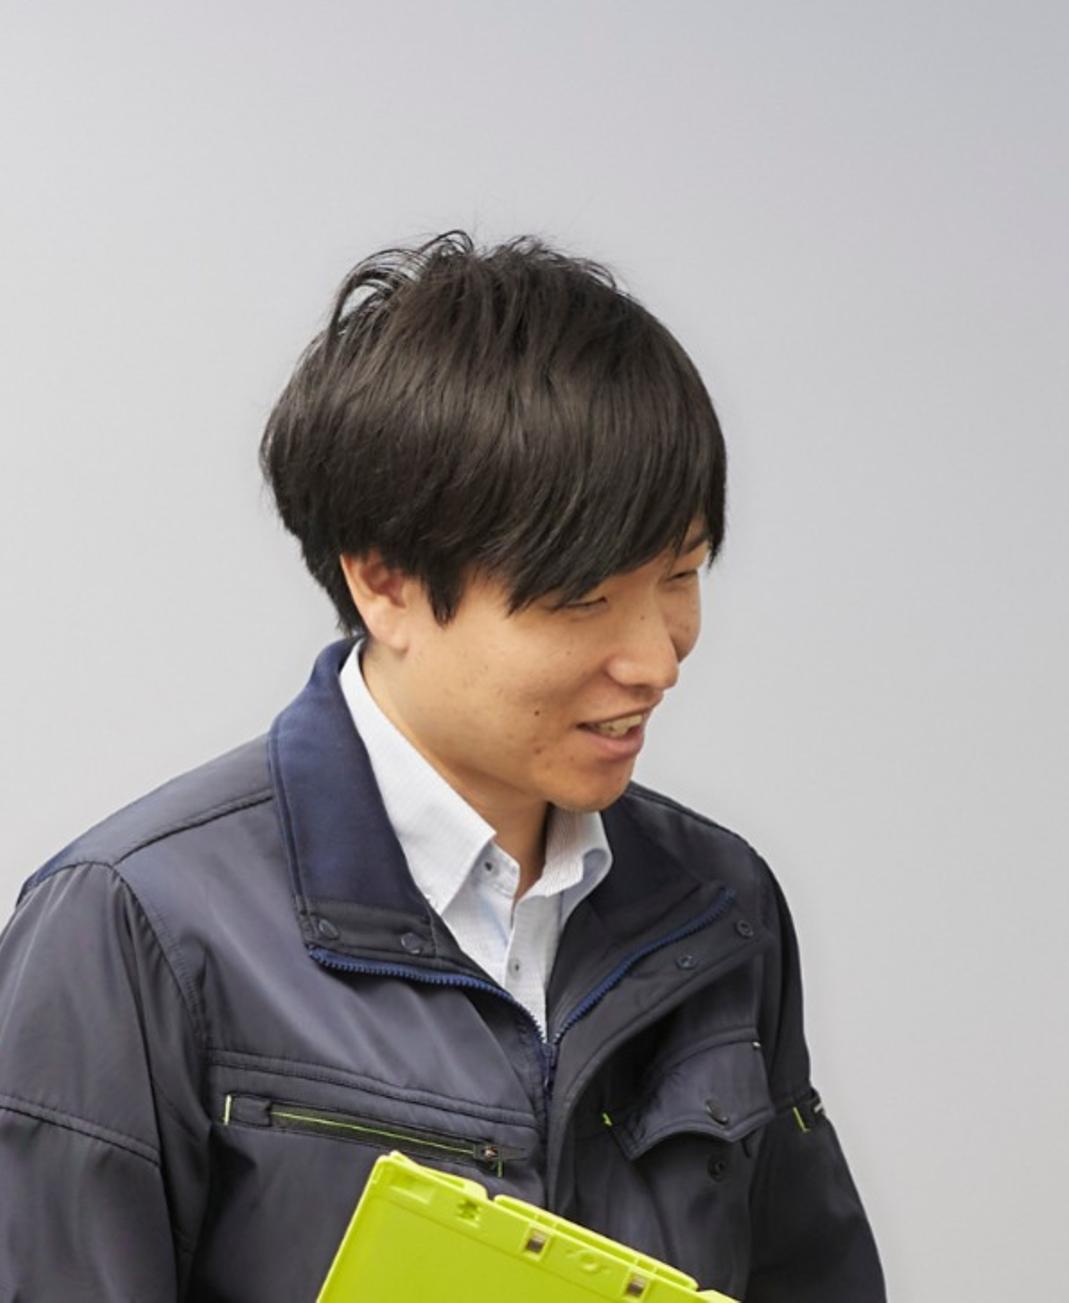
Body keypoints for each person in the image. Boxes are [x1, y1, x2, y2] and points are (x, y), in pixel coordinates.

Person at [0, 233, 884, 1301]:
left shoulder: (719, 906)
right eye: (584, 599)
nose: (655, 659)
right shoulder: (132, 926)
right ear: (385, 582)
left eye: (682, 574)